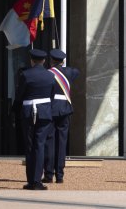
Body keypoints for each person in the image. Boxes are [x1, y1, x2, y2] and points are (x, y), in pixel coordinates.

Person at [13, 49, 56, 190]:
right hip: (44, 112)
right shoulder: (50, 76)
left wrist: (15, 109)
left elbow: (19, 95)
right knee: (40, 145)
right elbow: (52, 95)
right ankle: (37, 180)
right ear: (43, 60)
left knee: (30, 146)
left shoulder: (25, 75)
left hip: (28, 112)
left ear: (32, 60)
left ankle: (31, 180)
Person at [43, 49, 80, 184]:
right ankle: (60, 175)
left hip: (51, 109)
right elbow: (76, 71)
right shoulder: (70, 72)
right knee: (62, 143)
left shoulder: (48, 73)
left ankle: (48, 174)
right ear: (63, 61)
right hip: (65, 109)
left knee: (49, 142)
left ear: (51, 61)